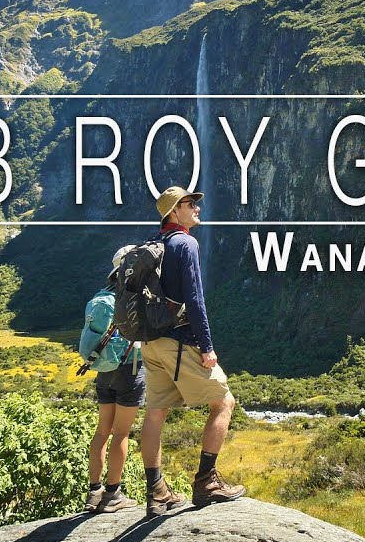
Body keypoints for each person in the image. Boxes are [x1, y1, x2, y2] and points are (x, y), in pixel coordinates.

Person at [139, 186, 245, 516]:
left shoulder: (154, 243)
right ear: (174, 212)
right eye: (189, 203)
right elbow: (195, 300)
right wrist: (207, 347)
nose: (196, 207)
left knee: (156, 412)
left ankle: (157, 492)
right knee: (224, 401)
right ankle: (207, 481)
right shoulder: (186, 243)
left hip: (151, 342)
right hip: (178, 342)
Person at [85, 247, 145, 514]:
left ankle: (93, 492)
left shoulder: (102, 296)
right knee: (121, 433)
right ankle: (113, 494)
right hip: (129, 370)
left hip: (103, 370)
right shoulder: (134, 297)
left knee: (102, 431)